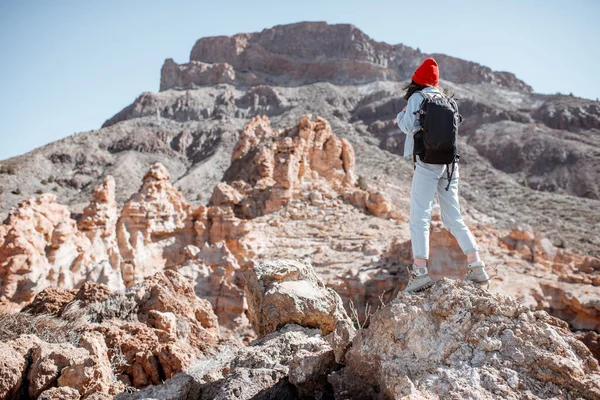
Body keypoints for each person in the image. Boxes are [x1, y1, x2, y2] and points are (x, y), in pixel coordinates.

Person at [396, 57, 489, 293]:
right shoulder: (446, 100)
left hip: (426, 164)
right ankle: (476, 265)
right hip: (449, 165)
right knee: (453, 217)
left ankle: (420, 273)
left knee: (420, 216)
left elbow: (408, 127)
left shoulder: (418, 98)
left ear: (416, 81)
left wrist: (400, 115)